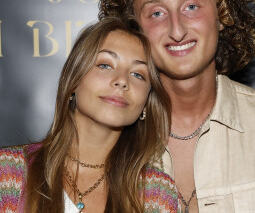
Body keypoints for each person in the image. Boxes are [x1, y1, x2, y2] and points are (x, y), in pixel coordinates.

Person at [99, 0, 255, 212]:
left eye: (191, 6)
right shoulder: (109, 130)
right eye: (156, 13)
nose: (177, 29)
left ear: (222, 14)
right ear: (135, 30)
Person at [0, 16, 183, 213]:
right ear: (73, 82)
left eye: (138, 74)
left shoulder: (158, 195)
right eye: (105, 65)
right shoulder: (8, 172)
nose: (121, 80)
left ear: (146, 104)